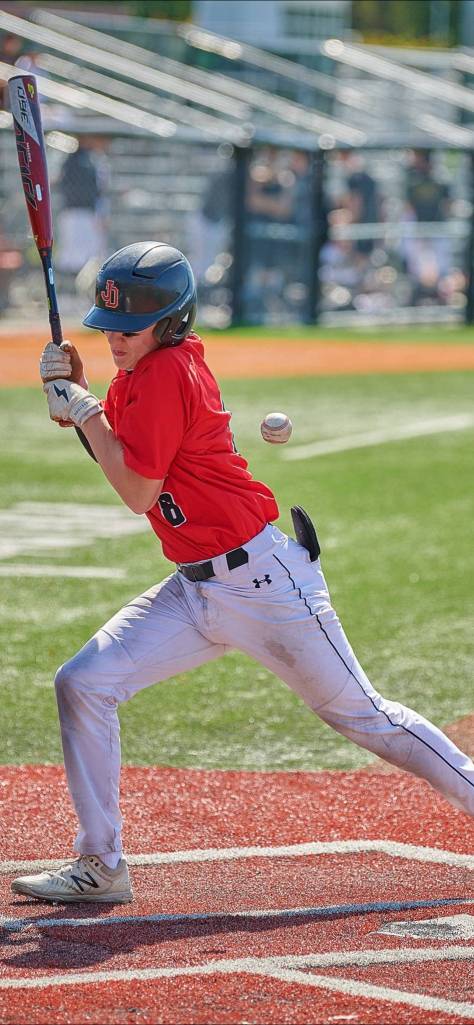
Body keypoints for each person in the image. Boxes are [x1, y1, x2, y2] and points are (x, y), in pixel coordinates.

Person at [12, 241, 474, 905]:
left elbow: (138, 491)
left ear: (170, 321)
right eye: (108, 327)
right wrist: (81, 403)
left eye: (129, 326)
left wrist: (80, 406)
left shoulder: (170, 370)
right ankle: (101, 862)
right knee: (84, 682)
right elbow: (125, 458)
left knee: (369, 718)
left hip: (265, 586)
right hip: (196, 588)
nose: (115, 338)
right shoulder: (139, 376)